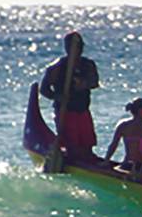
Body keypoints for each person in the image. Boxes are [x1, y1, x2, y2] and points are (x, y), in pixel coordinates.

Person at [40, 31, 101, 160]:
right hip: (66, 111)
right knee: (72, 145)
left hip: (83, 110)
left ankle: (89, 160)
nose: (78, 50)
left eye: (80, 47)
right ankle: (72, 159)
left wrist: (83, 84)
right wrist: (58, 97)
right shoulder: (57, 67)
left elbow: (95, 82)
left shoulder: (88, 65)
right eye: (75, 47)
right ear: (67, 48)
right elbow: (44, 89)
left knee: (87, 144)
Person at [105, 98, 142, 172]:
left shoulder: (123, 125)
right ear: (140, 110)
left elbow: (113, 145)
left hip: (130, 164)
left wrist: (106, 161)